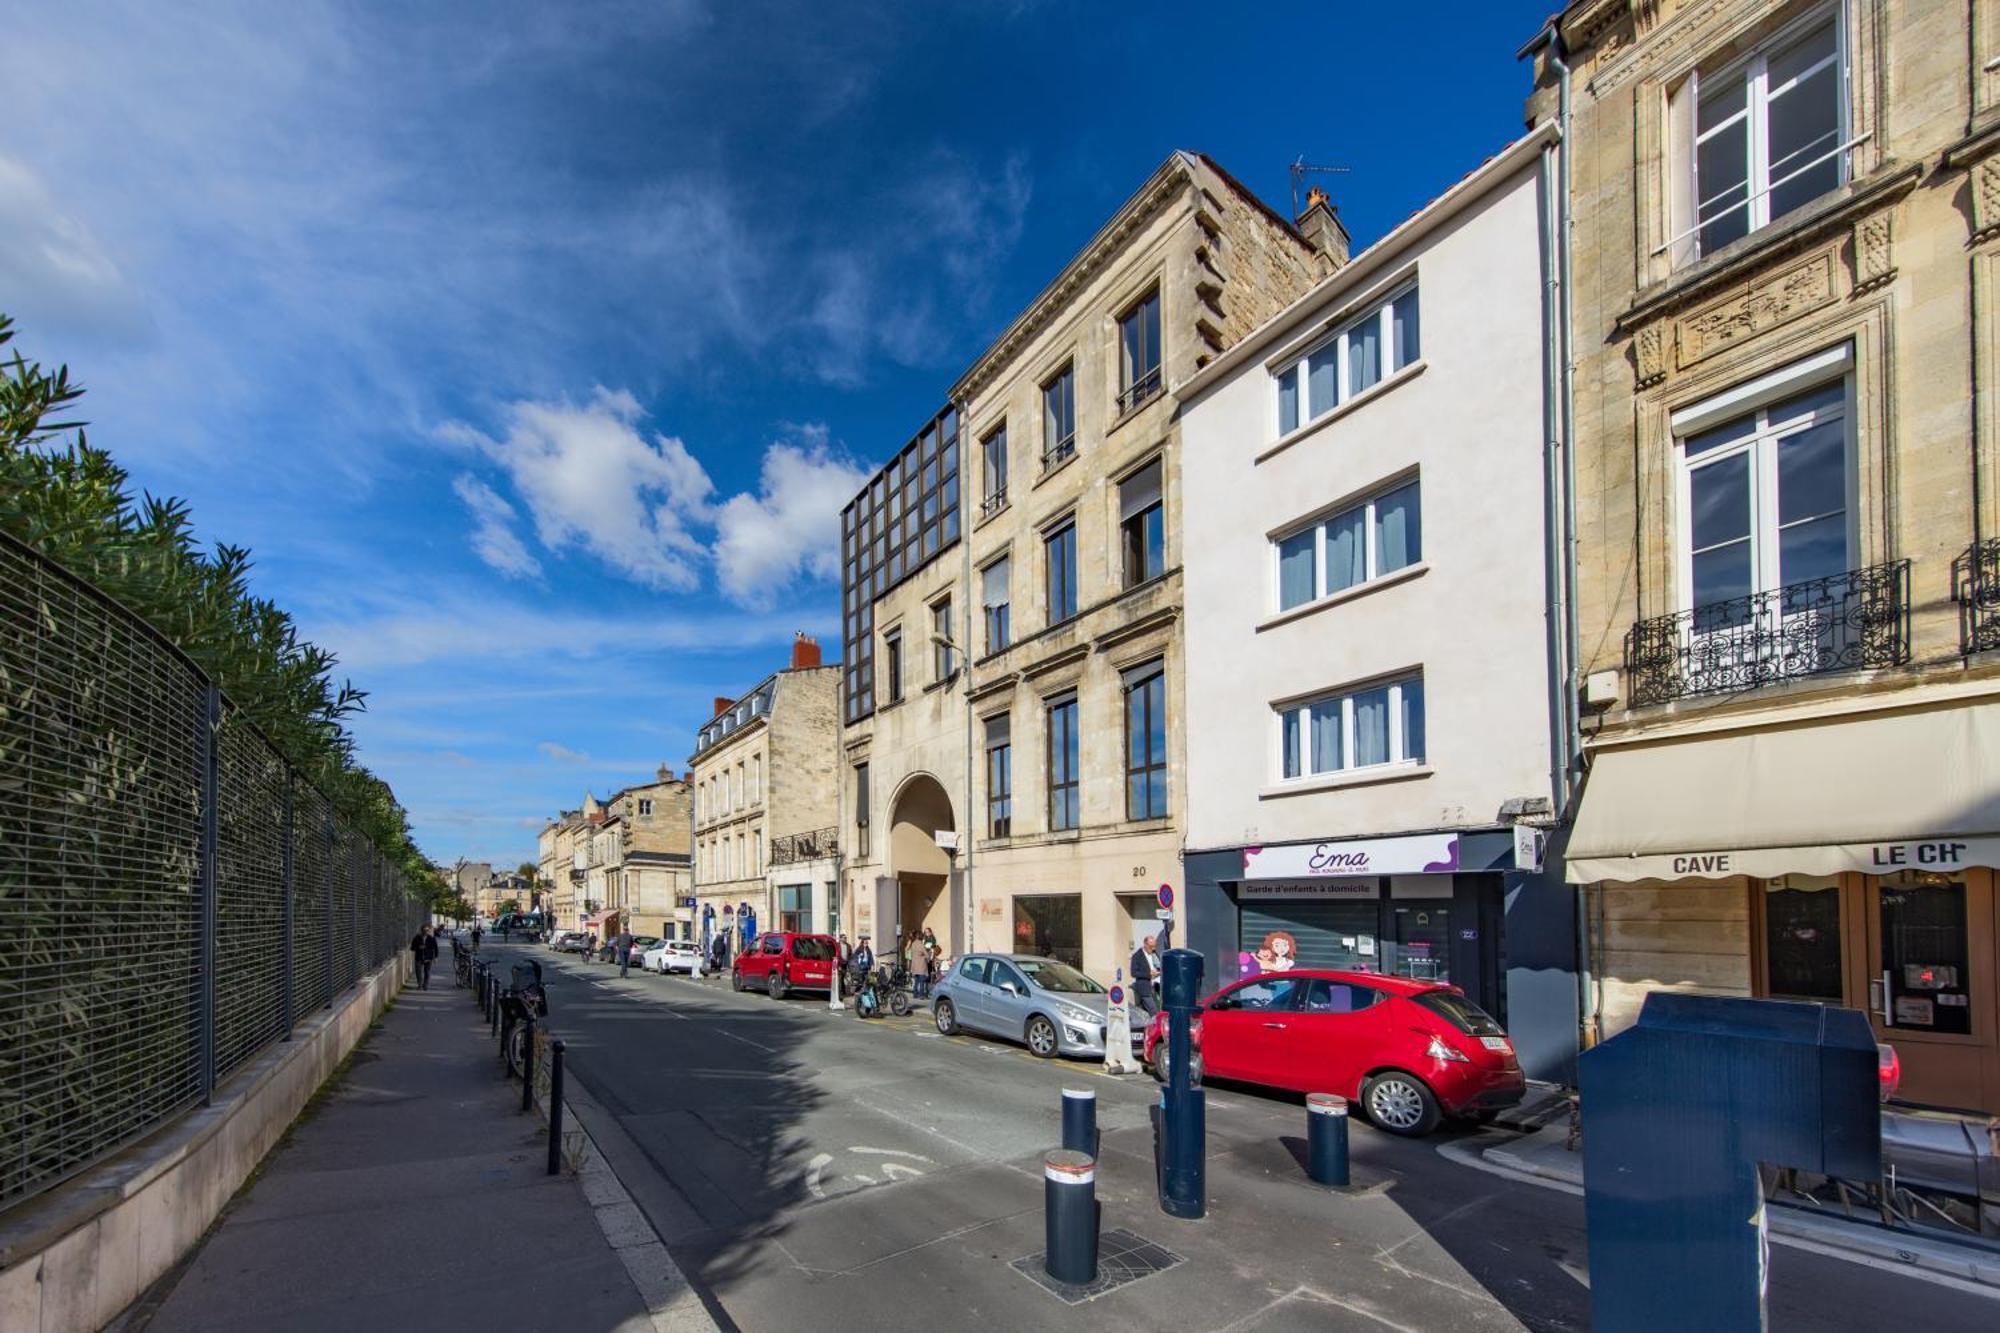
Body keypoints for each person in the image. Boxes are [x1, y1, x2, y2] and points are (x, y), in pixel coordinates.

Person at [1130, 934, 1161, 1015]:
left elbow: (1158, 966)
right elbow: (1133, 973)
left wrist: (1159, 972)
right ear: (1145, 944)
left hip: (1155, 987)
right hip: (1144, 988)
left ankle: (1148, 1027)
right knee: (1154, 1011)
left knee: (1156, 1009)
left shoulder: (1154, 953)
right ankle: (1155, 1027)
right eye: (1151, 946)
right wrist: (1149, 974)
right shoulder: (1137, 956)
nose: (1153, 948)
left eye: (1154, 946)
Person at [410, 925, 439, 990]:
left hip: (428, 957)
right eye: (424, 930)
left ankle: (425, 985)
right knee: (418, 971)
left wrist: (436, 957)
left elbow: (436, 948)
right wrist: (418, 947)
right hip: (419, 957)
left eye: (427, 930)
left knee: (427, 972)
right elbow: (412, 948)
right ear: (421, 930)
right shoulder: (417, 938)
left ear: (428, 931)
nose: (426, 932)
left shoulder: (431, 938)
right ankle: (419, 985)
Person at [910, 932, 934, 998]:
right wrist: (929, 956)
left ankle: (915, 994)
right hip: (921, 964)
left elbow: (912, 953)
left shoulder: (913, 943)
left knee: (916, 981)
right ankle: (921, 995)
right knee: (922, 980)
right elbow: (926, 954)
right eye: (923, 936)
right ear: (920, 937)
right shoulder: (921, 944)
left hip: (914, 964)